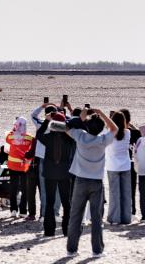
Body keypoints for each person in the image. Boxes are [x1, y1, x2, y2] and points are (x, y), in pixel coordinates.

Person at [67, 107, 117, 257]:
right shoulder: (103, 140)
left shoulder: (80, 136)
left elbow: (67, 126)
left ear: (87, 127)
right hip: (96, 182)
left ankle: (71, 249)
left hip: (80, 181)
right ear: (101, 128)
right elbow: (115, 128)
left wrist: (82, 116)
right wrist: (101, 113)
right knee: (96, 218)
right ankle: (97, 250)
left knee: (75, 215)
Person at [36, 108, 74, 236]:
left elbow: (39, 134)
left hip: (50, 173)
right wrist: (65, 120)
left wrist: (46, 121)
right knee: (66, 202)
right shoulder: (69, 139)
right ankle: (67, 229)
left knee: (50, 202)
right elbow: (74, 129)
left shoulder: (48, 137)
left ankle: (49, 230)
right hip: (64, 173)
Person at [104, 111, 132, 225]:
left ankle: (114, 218)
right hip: (125, 165)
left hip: (113, 166)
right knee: (126, 193)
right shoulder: (127, 132)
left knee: (114, 194)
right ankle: (126, 218)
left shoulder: (109, 133)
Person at [4, 117, 35, 219]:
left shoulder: (11, 136)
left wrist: (14, 129)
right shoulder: (30, 138)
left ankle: (13, 210)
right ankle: (23, 211)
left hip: (13, 165)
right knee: (25, 189)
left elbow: (7, 137)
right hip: (24, 166)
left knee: (13, 188)